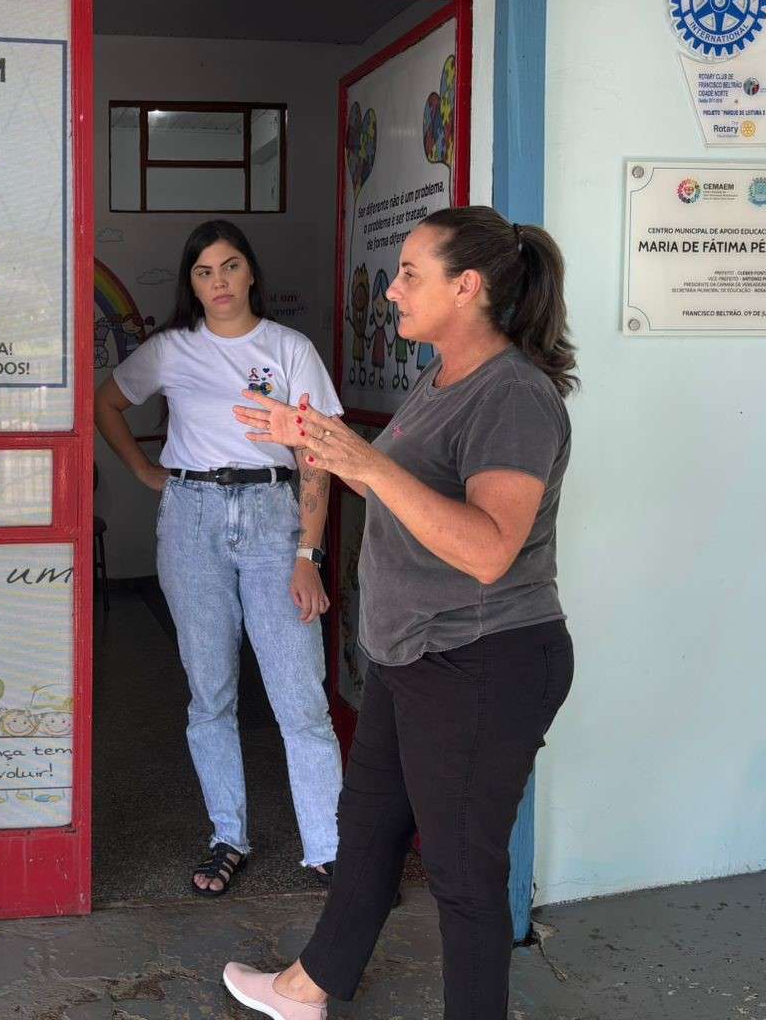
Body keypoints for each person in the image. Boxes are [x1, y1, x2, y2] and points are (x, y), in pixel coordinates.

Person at [224, 206, 577, 1020]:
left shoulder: (514, 396)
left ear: (468, 286)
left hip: (480, 660)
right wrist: (315, 439)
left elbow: (488, 549)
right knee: (370, 827)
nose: (391, 290)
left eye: (411, 273)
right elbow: (400, 488)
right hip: (410, 651)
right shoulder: (442, 376)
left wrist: (366, 463)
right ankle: (307, 987)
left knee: (463, 872)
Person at [94, 219, 343, 897]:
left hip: (272, 517)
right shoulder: (171, 349)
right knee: (211, 695)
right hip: (192, 519)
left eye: (230, 266)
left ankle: (328, 847)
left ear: (251, 271)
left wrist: (308, 553)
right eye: (204, 272)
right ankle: (228, 836)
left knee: (300, 694)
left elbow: (315, 453)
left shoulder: (288, 348)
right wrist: (144, 470)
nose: (219, 282)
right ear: (192, 284)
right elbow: (107, 403)